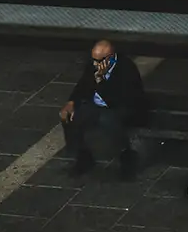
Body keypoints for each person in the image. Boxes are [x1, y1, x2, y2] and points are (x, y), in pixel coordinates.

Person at [60, 40, 148, 179]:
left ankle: (126, 157)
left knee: (108, 120)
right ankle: (82, 156)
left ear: (110, 58)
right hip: (97, 105)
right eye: (94, 60)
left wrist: (101, 81)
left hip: (121, 107)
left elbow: (117, 99)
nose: (95, 64)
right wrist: (71, 102)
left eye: (99, 61)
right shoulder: (94, 65)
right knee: (72, 116)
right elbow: (83, 84)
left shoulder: (126, 69)